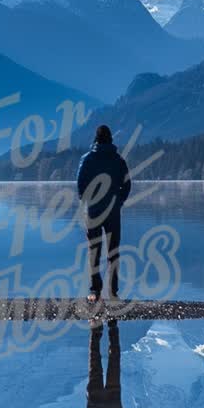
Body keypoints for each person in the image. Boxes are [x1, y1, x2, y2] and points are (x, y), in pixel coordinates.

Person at [77, 124, 131, 302]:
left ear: (96, 139)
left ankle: (95, 291)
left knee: (94, 251)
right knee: (113, 252)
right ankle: (113, 291)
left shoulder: (87, 159)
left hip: (93, 211)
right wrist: (119, 201)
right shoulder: (118, 160)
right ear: (110, 140)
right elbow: (127, 184)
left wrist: (87, 201)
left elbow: (81, 183)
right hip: (113, 212)